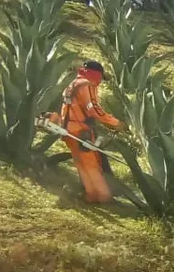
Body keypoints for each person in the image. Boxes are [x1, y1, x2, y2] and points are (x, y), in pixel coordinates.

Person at [52, 61, 124, 203]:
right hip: (81, 132)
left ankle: (91, 196)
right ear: (96, 74)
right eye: (100, 78)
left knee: (82, 165)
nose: (100, 82)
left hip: (67, 131)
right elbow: (94, 110)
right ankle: (104, 198)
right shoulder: (87, 85)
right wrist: (116, 123)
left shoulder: (73, 84)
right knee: (92, 166)